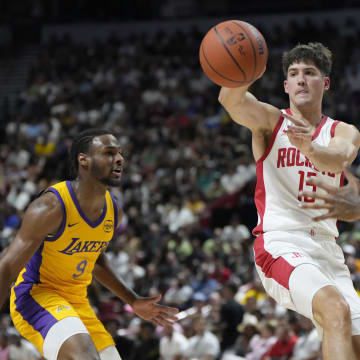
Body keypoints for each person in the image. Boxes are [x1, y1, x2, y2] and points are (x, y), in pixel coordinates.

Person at [219, 42, 360, 360]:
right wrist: (242, 70)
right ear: (285, 85)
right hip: (280, 243)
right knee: (334, 308)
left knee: (353, 338)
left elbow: (340, 157)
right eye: (294, 74)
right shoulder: (270, 121)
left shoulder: (344, 131)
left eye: (309, 73)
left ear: (325, 83)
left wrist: (310, 148)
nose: (300, 79)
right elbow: (231, 101)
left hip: (328, 252)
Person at [0, 129, 179, 360]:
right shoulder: (51, 206)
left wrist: (132, 300)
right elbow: (7, 266)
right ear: (83, 159)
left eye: (120, 153)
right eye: (109, 153)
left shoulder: (114, 212)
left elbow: (95, 259)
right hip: (37, 295)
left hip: (77, 302)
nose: (120, 159)